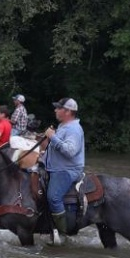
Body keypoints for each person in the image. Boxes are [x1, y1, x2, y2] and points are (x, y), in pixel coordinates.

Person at [43, 97, 85, 238]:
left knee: (54, 198)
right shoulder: (63, 127)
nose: (55, 110)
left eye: (58, 108)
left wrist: (53, 137)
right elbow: (55, 151)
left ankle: (62, 234)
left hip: (67, 170)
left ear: (67, 112)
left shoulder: (73, 129)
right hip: (56, 168)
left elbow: (70, 151)